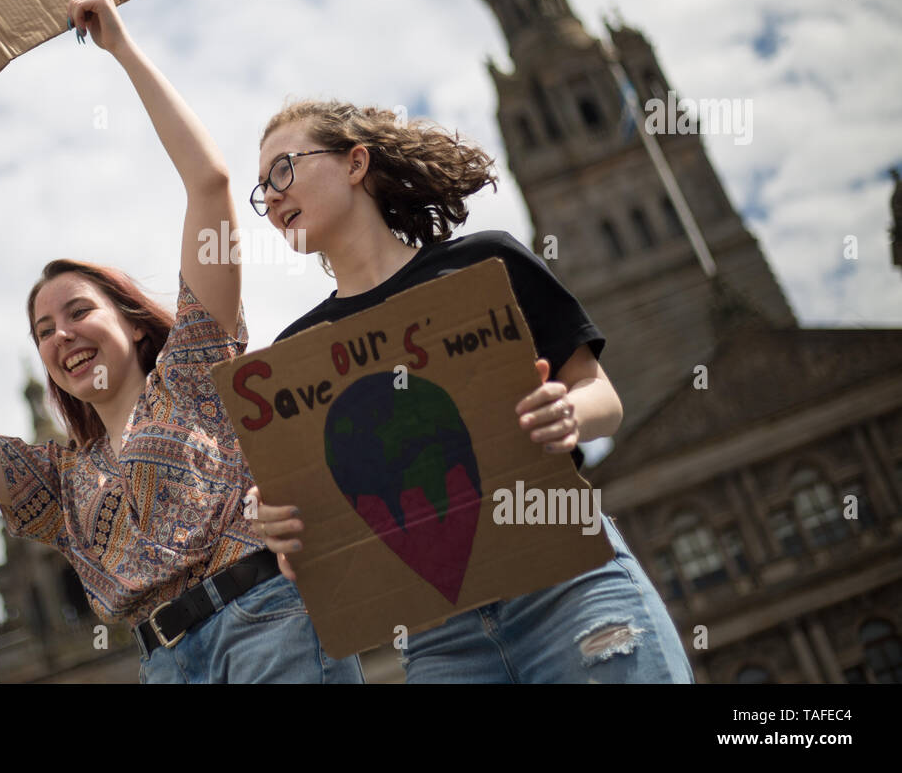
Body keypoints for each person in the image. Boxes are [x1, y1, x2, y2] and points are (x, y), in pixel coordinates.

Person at [0, 0, 363, 684]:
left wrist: (121, 47)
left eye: (78, 311)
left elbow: (210, 185)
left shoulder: (195, 372)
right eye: (43, 330)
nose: (62, 334)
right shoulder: (57, 482)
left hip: (265, 624)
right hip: (163, 666)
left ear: (128, 319)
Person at [245, 100, 694, 683]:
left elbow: (601, 399)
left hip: (568, 586)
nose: (272, 198)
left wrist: (567, 413)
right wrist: (281, 529)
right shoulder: (295, 354)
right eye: (261, 191)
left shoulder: (487, 262)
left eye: (283, 170)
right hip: (439, 640)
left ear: (355, 163)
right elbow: (317, 547)